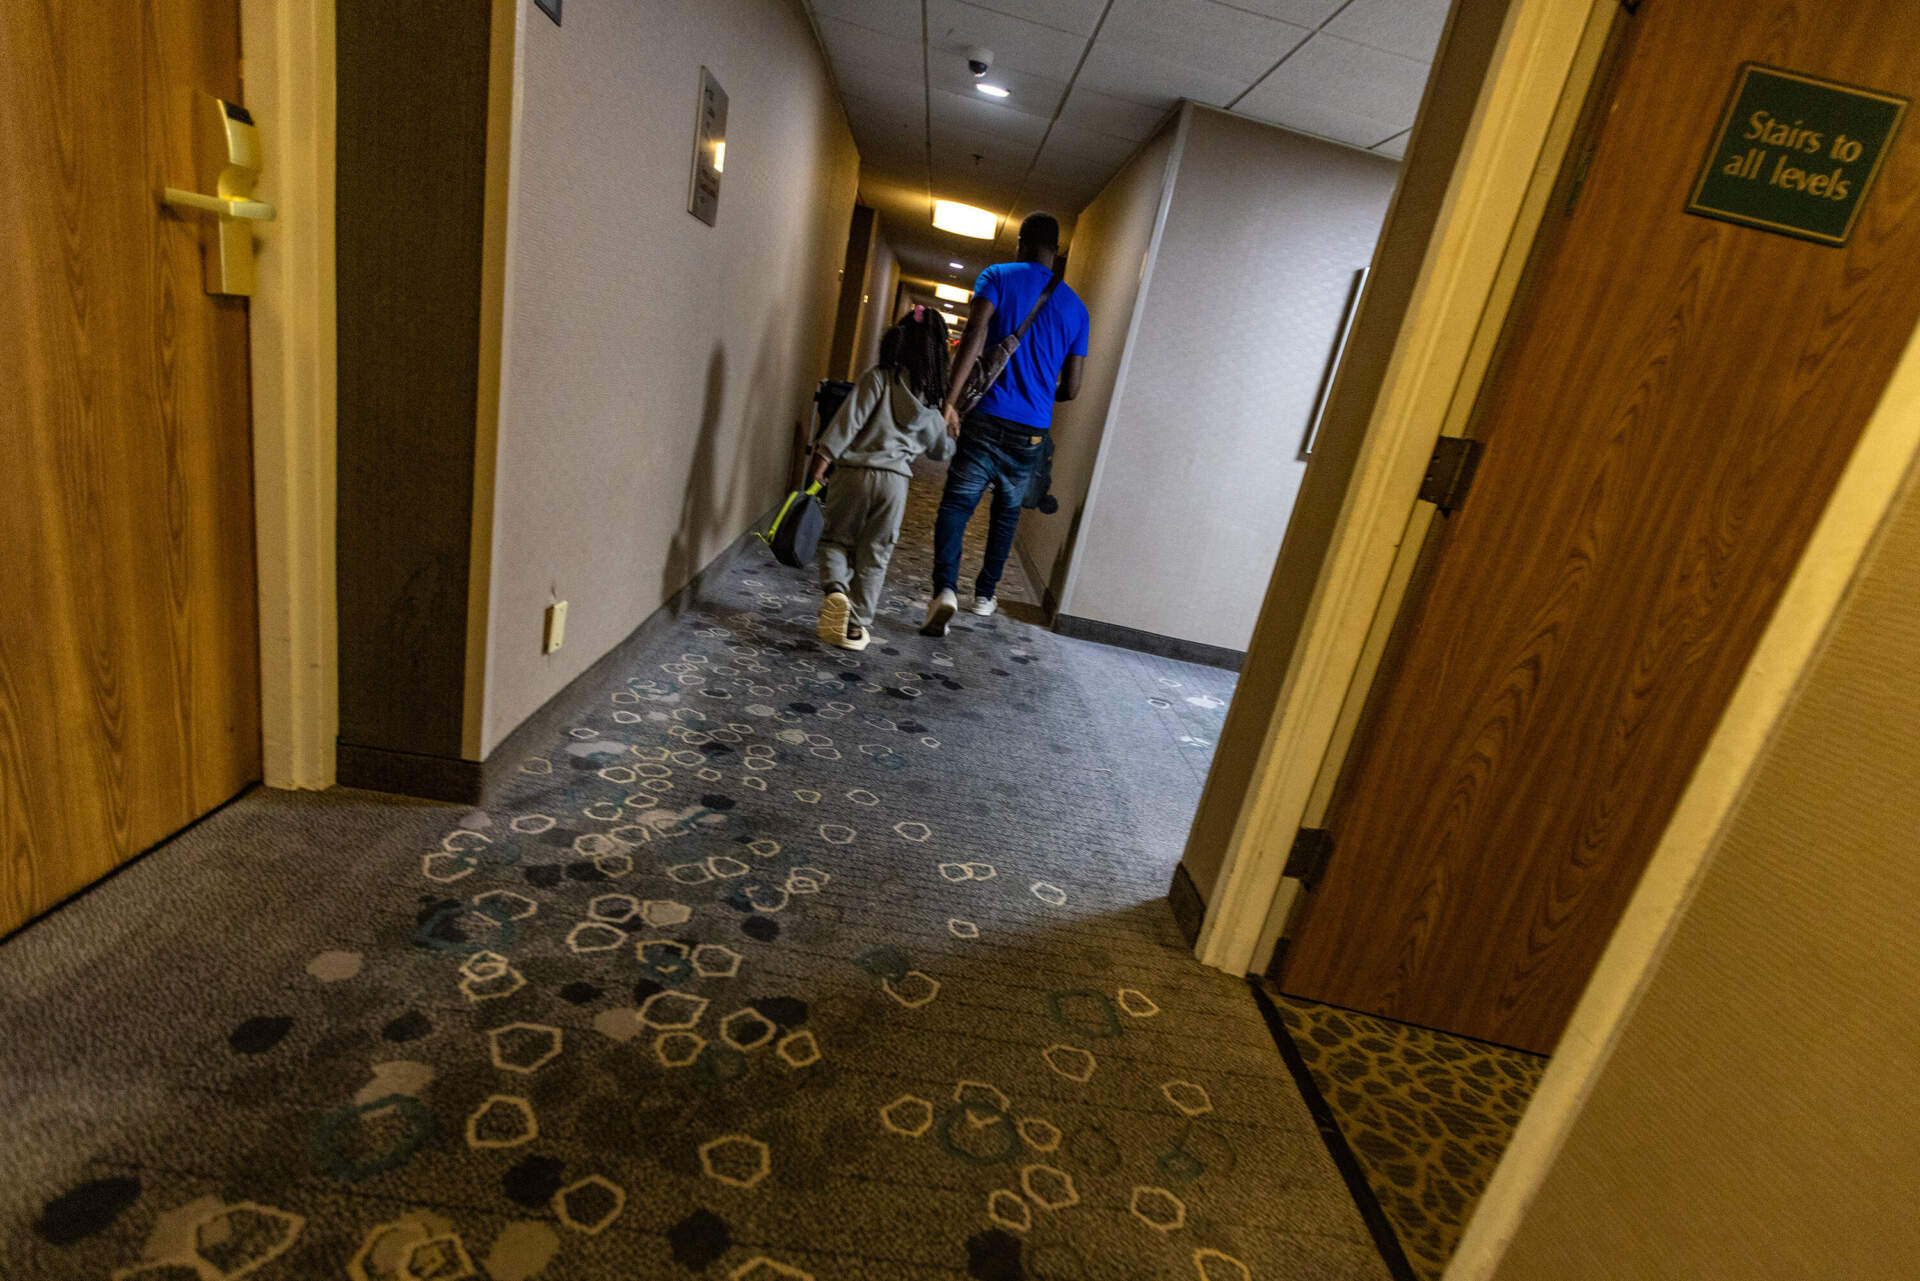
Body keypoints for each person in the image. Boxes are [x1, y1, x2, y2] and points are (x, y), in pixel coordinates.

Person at [923, 212, 1088, 637]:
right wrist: (1036, 392)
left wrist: (951, 402)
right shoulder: (1076, 308)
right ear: (1057, 252)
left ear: (1019, 242)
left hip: (985, 416)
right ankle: (985, 594)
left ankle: (944, 589)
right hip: (1030, 428)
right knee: (1007, 511)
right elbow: (1072, 388)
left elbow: (975, 334)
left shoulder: (997, 274)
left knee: (958, 504)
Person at [809, 306, 955, 652]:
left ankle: (836, 591)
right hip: (895, 485)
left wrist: (823, 459)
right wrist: (949, 435)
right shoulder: (931, 405)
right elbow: (939, 451)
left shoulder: (878, 377)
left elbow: (849, 420)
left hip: (853, 474)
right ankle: (856, 626)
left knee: (834, 540)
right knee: (875, 554)